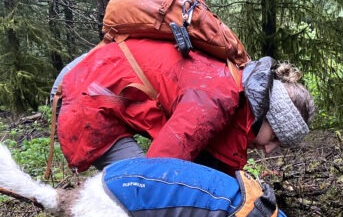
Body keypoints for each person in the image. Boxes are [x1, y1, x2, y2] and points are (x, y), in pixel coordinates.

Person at [54, 38, 314, 176]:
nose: (269, 149)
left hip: (99, 82)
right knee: (139, 188)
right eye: (276, 138)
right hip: (87, 92)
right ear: (267, 115)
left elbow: (216, 170)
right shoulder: (217, 98)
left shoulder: (237, 101)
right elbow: (159, 170)